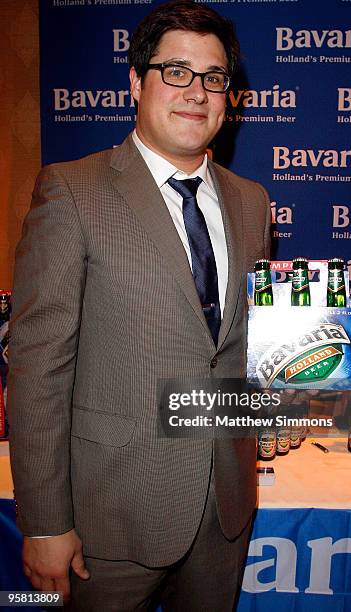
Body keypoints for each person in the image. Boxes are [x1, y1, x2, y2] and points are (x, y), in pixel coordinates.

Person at [8, 1, 271, 610]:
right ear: (136, 81)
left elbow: (234, 350)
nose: (196, 92)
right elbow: (39, 365)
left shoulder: (252, 202)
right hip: (110, 517)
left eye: (213, 78)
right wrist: (45, 522)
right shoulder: (72, 190)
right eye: (175, 71)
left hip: (223, 512)